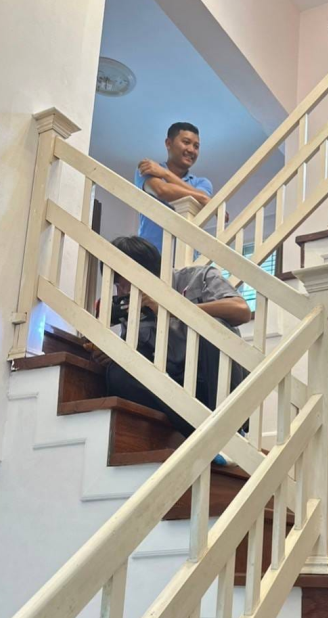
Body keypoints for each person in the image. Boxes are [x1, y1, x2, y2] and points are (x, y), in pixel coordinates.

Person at [95, 236, 250, 437]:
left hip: (213, 379)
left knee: (213, 328)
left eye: (124, 283)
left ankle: (229, 430)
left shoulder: (198, 277)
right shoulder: (131, 304)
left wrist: (171, 308)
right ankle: (199, 433)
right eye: (116, 285)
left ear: (146, 272)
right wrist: (113, 352)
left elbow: (241, 311)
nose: (122, 291)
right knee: (118, 373)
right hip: (178, 389)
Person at [136, 122, 213, 251]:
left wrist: (165, 174)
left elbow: (203, 197)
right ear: (168, 143)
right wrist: (201, 197)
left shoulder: (202, 183)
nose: (191, 150)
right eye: (186, 142)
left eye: (196, 146)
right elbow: (162, 191)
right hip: (150, 255)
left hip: (187, 256)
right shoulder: (148, 168)